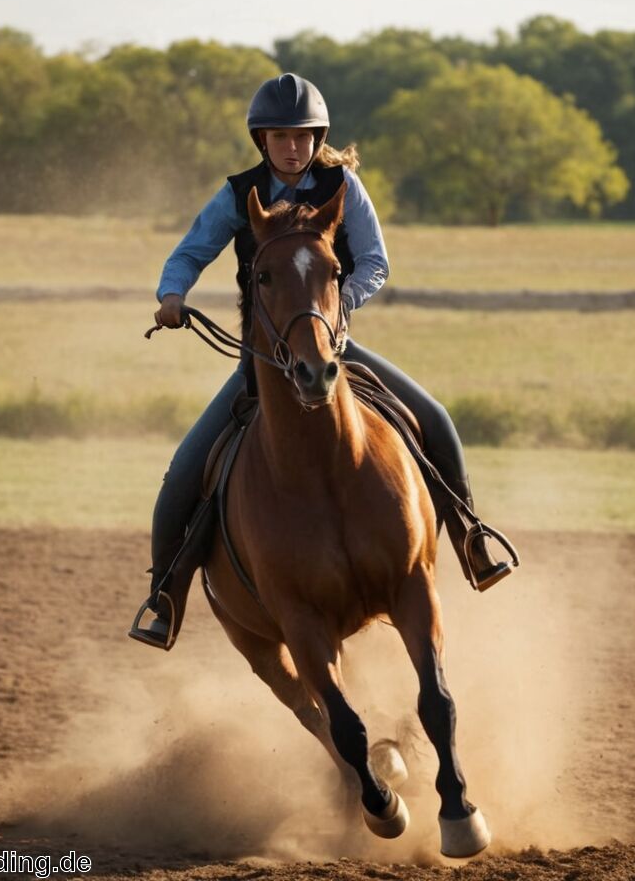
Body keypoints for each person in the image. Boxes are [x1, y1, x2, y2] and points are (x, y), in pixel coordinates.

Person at [129, 73, 515, 650]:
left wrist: (336, 308)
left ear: (318, 139)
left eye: (304, 136)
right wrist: (171, 296)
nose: (293, 147)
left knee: (435, 419)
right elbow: (192, 250)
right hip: (261, 366)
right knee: (183, 476)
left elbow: (376, 262)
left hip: (333, 348)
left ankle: (470, 538)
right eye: (281, 136)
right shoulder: (240, 194)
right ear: (263, 140)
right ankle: (166, 594)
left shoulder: (343, 186)